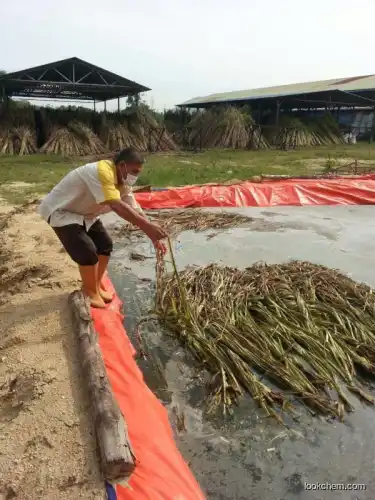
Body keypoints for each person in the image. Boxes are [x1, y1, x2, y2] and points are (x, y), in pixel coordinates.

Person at [38, 147, 167, 308]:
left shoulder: (123, 182)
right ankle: (89, 291)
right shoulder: (101, 171)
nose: (136, 176)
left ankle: (96, 285)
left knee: (105, 245)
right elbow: (116, 205)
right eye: (134, 171)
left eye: (138, 172)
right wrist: (147, 227)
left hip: (85, 214)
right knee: (87, 250)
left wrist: (152, 234)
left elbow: (133, 207)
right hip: (62, 211)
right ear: (122, 165)